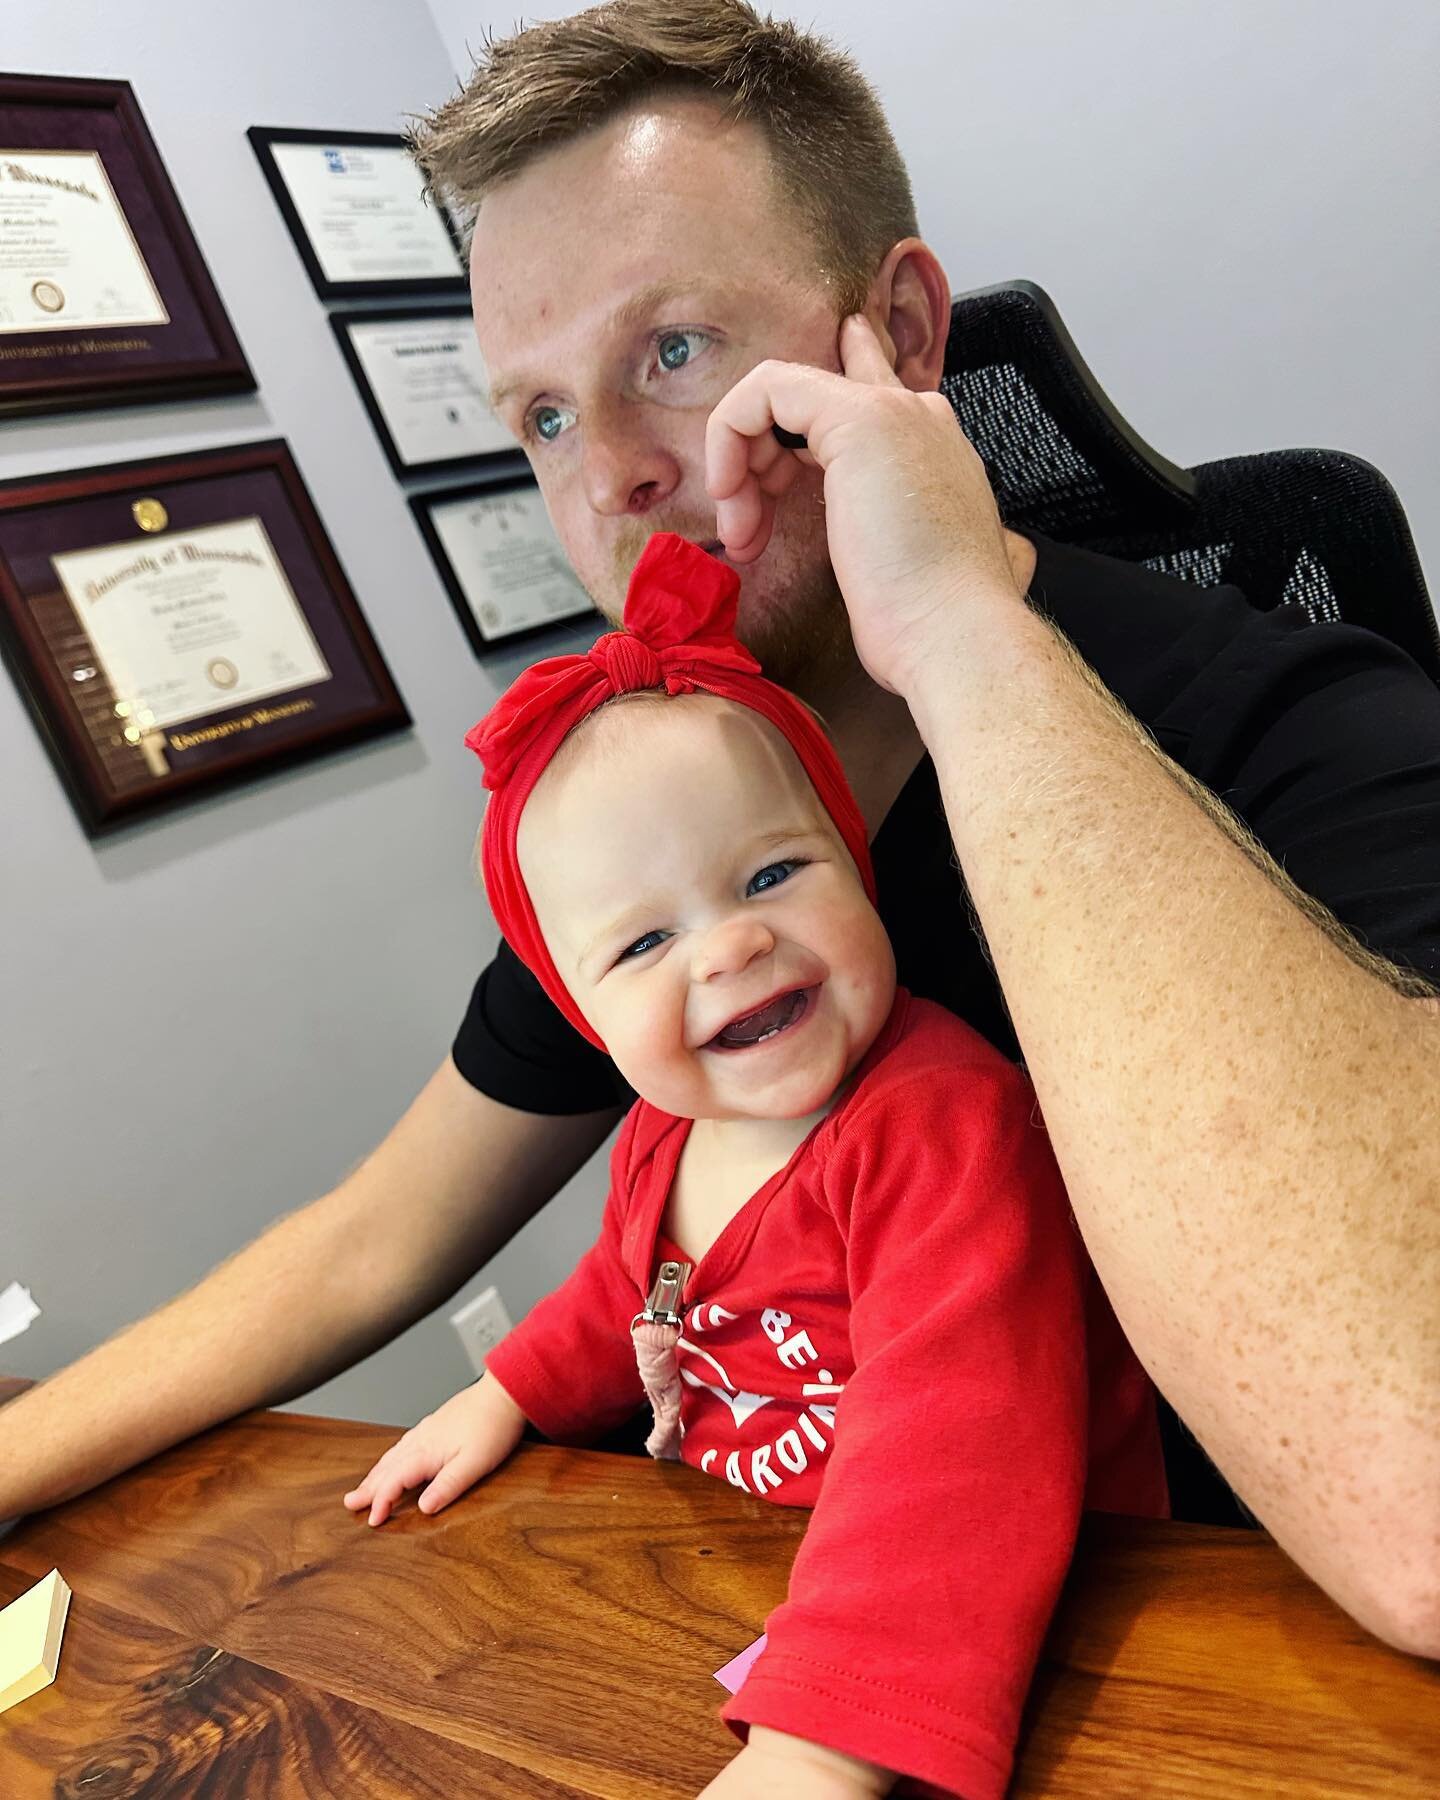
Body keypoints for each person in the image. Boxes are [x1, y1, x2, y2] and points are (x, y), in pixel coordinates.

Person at [3, 1, 1437, 1658]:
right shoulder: (676, 824)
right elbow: (371, 1238)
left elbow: (1418, 1500)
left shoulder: (1301, 727)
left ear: (896, 336)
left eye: (671, 354)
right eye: (539, 416)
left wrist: (961, 635)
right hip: (749, 1612)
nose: (603, 476)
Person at [342, 531, 1167, 1800]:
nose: (728, 949)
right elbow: (625, 1298)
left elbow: (956, 1452)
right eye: (645, 943)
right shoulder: (666, 1133)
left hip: (1008, 1624)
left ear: (859, 865)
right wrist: (506, 1393)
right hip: (761, 1567)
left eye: (775, 873)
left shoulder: (942, 1128)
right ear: (579, 1014)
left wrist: (820, 1748)